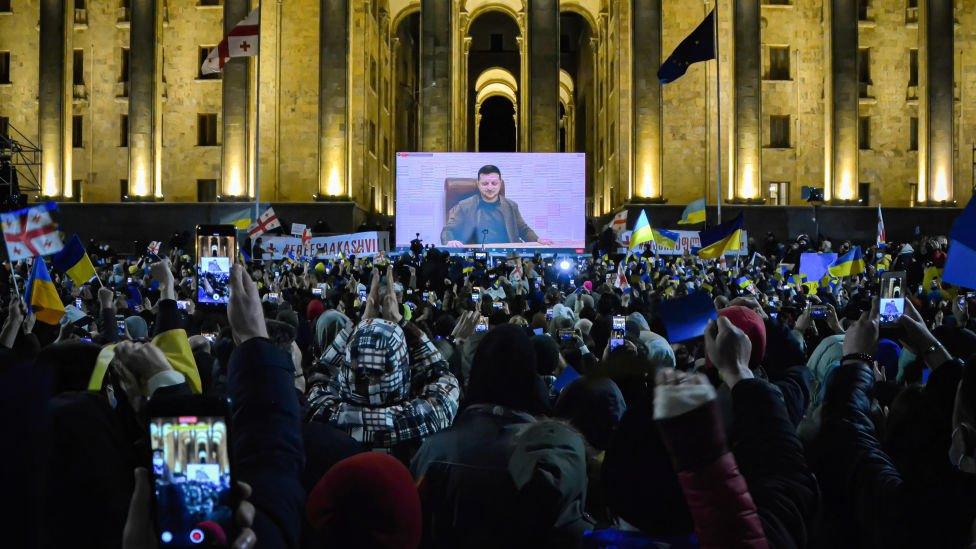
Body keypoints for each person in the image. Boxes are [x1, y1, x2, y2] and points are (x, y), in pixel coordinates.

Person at [441, 165, 552, 247]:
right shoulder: (465, 206)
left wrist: (538, 239)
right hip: (478, 256)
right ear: (478, 184)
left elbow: (523, 230)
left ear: (500, 184)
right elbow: (448, 230)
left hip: (509, 257)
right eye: (485, 184)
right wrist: (449, 241)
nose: (490, 188)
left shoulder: (511, 206)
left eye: (494, 183)